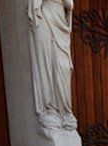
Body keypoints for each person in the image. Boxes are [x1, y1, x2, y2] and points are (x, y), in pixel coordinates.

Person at [28, 0, 76, 130]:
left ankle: (65, 111)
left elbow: (70, 4)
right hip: (45, 19)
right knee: (46, 64)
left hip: (60, 23)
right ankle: (50, 108)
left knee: (64, 67)